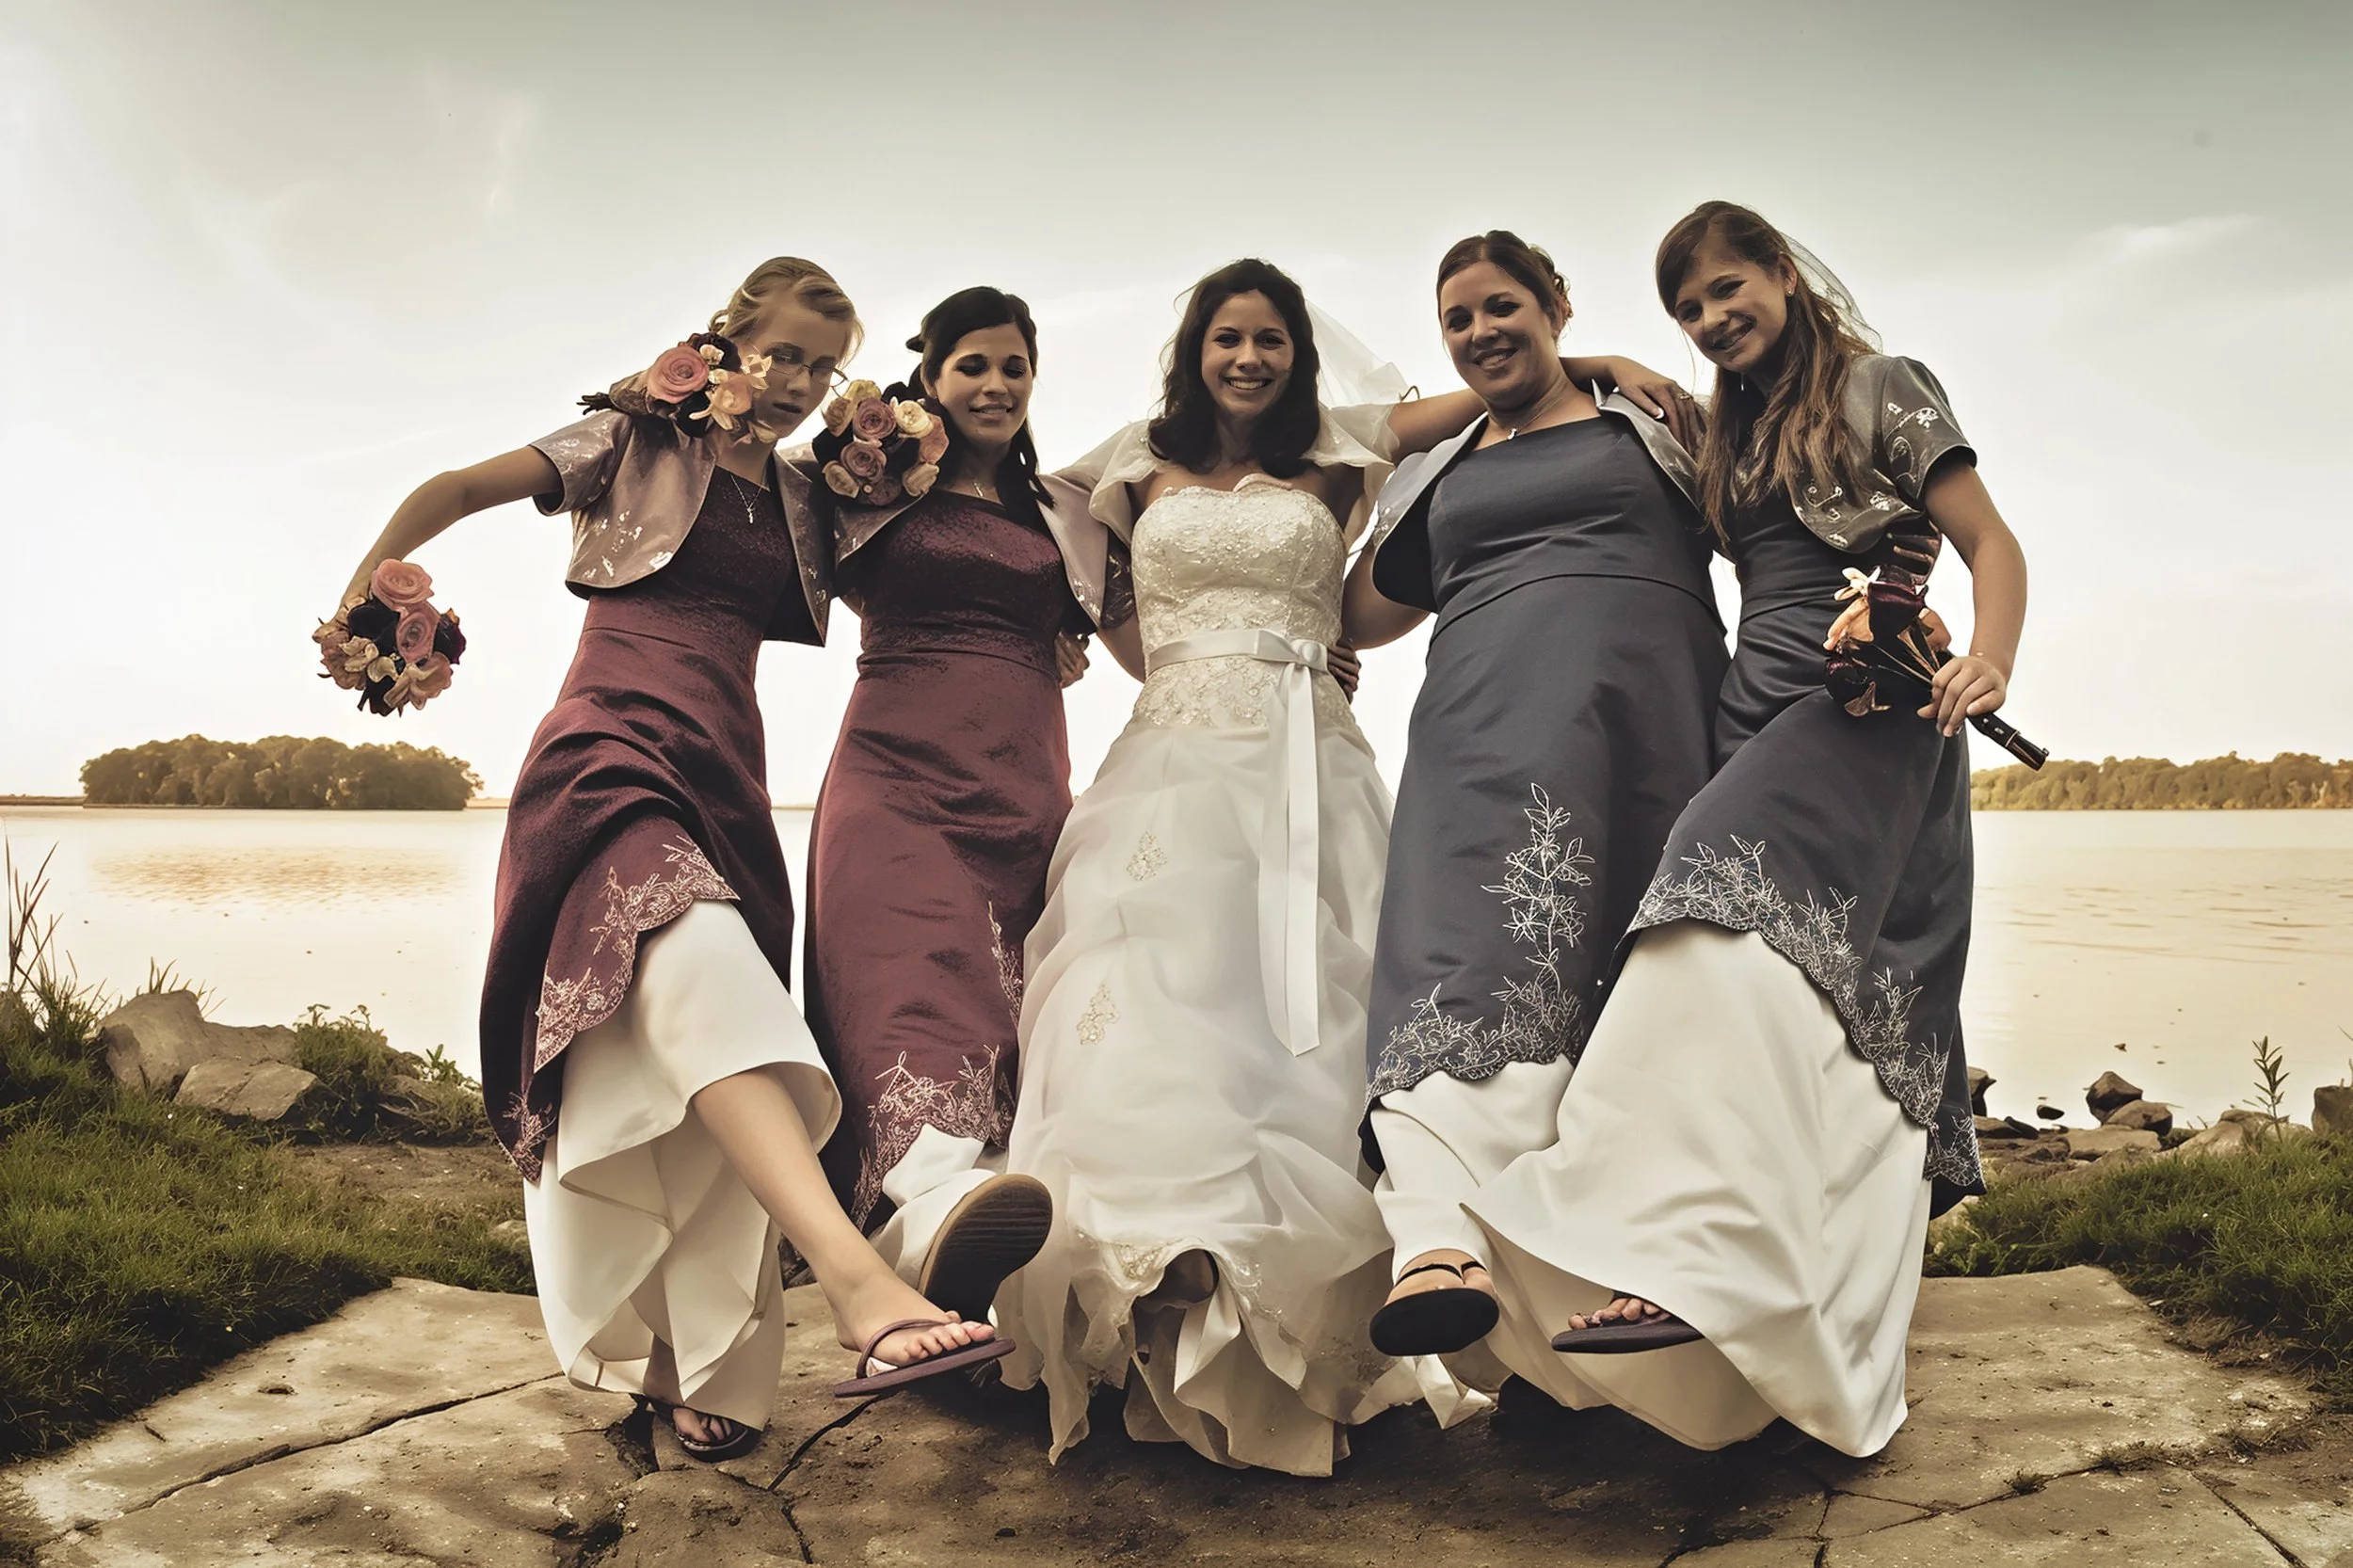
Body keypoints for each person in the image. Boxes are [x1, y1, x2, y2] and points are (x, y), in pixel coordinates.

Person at [992, 258, 1684, 1473]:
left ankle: (1307, 1316)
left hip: (1309, 756)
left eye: (1268, 339)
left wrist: (1600, 365)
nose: (1248, 358)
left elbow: (1480, 389)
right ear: (1194, 350)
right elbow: (1045, 509)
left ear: (1295, 351)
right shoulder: (1135, 456)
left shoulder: (1342, 444)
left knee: (1320, 1013)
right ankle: (1145, 1296)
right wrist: (1136, 645)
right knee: (1148, 992)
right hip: (1173, 754)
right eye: (1227, 339)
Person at [336, 259, 1009, 1464]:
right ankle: (860, 1287)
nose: (798, 382)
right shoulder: (628, 437)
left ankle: (700, 1366)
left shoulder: (817, 497)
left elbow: (952, 557)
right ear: (727, 338)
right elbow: (454, 484)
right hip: (607, 743)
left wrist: (1045, 637)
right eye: (781, 352)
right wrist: (369, 594)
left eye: (820, 362)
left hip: (728, 776)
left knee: (692, 1039)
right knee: (702, 968)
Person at [1466, 200, 2027, 1458]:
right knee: (1768, 994)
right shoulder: (1728, 424)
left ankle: (1675, 1247)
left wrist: (1980, 655)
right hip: (1748, 713)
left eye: (1731, 289)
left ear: (1783, 271)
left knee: (1698, 948)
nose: (1718, 320)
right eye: (1692, 309)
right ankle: (1717, 1332)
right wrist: (1604, 364)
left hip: (1867, 708)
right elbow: (1653, 404)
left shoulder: (1882, 387)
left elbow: (1989, 541)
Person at [1342, 232, 1727, 1375]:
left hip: (1648, 732)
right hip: (1473, 736)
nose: (1479, 333)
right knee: (1452, 971)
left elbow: (1767, 526)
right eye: (1456, 319)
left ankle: (1641, 1272)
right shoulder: (1439, 465)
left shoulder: (1654, 425)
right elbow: (1358, 613)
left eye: (1501, 307)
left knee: (1638, 989)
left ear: (1554, 305)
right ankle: (1439, 1243)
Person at [800, 287, 1129, 1320]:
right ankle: (936, 1201)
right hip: (894, 782)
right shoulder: (865, 485)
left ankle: (985, 1282)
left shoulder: (1066, 511)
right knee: (908, 989)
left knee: (1009, 1018)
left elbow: (1143, 638)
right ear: (928, 379)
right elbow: (756, 499)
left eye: (1013, 368)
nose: (994, 385)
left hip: (1026, 796)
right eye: (971, 366)